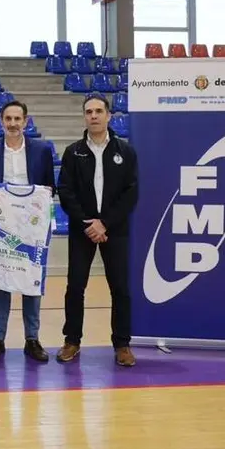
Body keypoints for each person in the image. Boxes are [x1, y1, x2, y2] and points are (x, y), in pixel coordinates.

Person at [56, 95, 139, 367]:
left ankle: (123, 344)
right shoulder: (73, 152)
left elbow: (131, 193)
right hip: (83, 230)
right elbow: (66, 192)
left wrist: (105, 223)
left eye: (99, 111)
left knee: (121, 288)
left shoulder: (125, 151)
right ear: (84, 117)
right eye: (89, 112)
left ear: (109, 116)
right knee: (75, 286)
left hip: (115, 230)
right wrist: (88, 223)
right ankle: (72, 340)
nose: (94, 115)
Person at [0, 100, 55, 363]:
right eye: (8, 119)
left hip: (31, 227)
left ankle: (32, 339)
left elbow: (49, 188)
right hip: (3, 226)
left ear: (26, 121)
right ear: (2, 122)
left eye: (17, 119)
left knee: (31, 280)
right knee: (2, 280)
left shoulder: (42, 150)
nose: (12, 124)